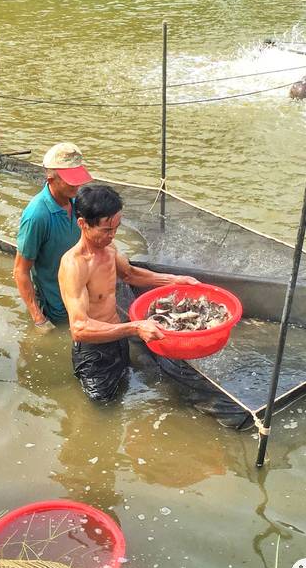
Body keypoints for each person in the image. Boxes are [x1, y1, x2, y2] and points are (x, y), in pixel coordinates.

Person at [58, 184, 197, 401]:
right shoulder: (74, 265)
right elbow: (79, 328)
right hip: (94, 352)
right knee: (102, 409)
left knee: (123, 389)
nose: (112, 236)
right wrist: (135, 327)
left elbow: (130, 274)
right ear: (83, 224)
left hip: (118, 339)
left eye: (116, 228)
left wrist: (175, 281)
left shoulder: (109, 249)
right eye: (106, 230)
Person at [14, 143, 93, 332]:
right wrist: (38, 319)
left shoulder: (76, 201)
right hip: (56, 307)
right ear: (51, 179)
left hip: (82, 295)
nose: (77, 185)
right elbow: (20, 271)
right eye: (70, 180)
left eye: (78, 179)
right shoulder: (37, 216)